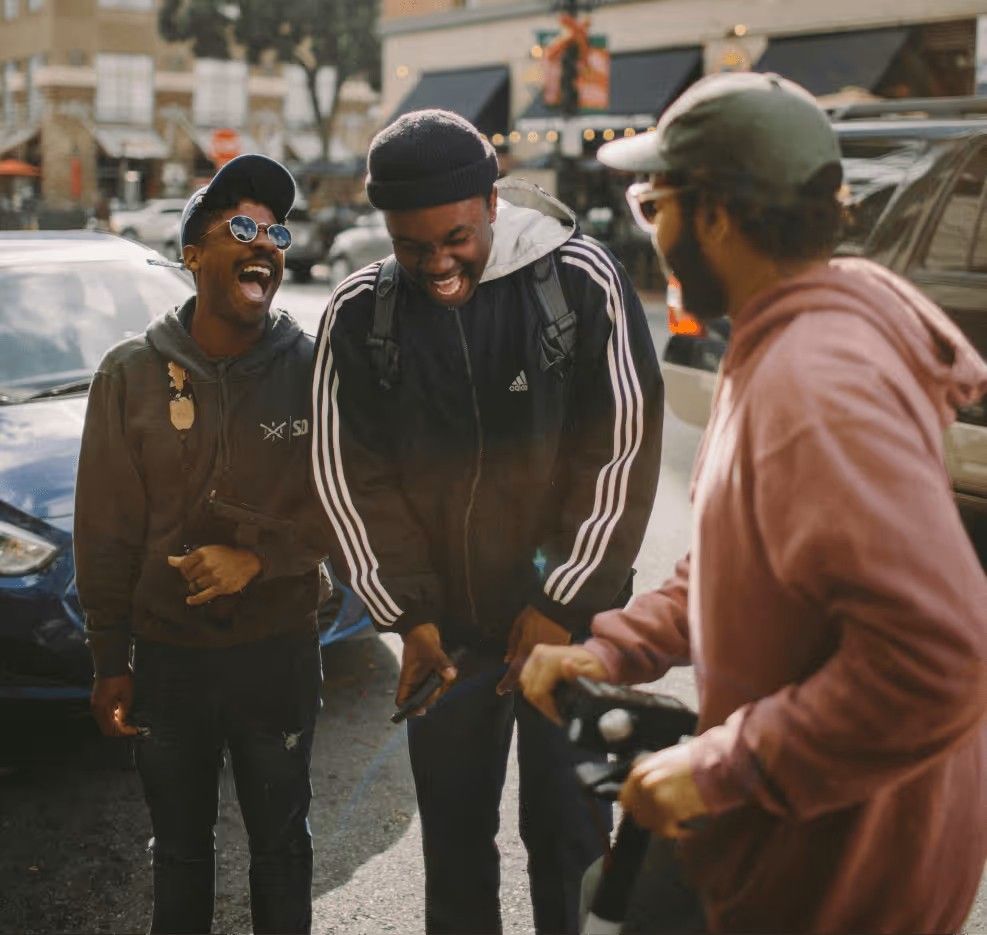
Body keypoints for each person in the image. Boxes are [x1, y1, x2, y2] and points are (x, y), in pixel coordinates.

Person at [521, 71, 987, 934]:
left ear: (717, 216)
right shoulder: (787, 340)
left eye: (652, 205)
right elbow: (751, 561)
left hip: (845, 868)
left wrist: (725, 765)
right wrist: (616, 648)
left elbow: (938, 654)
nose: (649, 233)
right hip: (821, 834)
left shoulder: (814, 386)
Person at [311, 109, 663, 934]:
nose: (437, 264)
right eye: (411, 245)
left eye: (456, 237)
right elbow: (346, 481)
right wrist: (411, 617)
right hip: (448, 637)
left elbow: (621, 450)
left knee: (575, 838)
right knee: (457, 847)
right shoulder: (359, 316)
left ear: (493, 201)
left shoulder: (579, 279)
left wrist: (561, 602)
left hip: (574, 627)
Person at [75, 154, 328, 935]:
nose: (266, 243)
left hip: (277, 651)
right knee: (179, 850)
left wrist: (262, 558)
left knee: (282, 846)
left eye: (276, 230)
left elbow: (351, 506)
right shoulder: (130, 375)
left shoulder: (314, 366)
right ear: (192, 255)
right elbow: (106, 531)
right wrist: (110, 659)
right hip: (169, 658)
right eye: (242, 227)